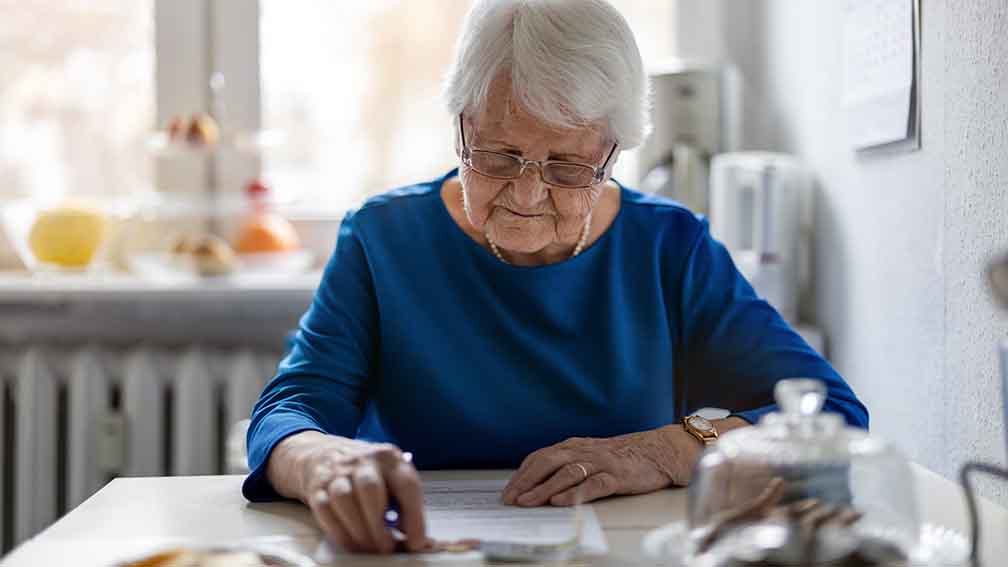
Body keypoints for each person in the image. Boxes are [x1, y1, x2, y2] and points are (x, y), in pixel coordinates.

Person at [242, 0, 868, 555]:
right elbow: (291, 408)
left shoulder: (668, 246)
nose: (526, 193)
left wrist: (662, 452)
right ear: (461, 126)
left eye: (567, 166)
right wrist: (320, 459)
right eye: (497, 156)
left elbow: (833, 415)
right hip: (422, 549)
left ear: (612, 154)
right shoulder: (383, 238)